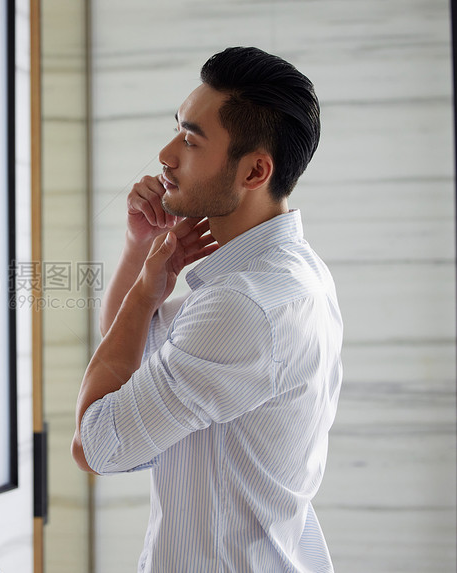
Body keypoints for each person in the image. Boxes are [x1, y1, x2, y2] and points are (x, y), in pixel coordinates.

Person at [71, 47, 343, 572]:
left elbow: (98, 445)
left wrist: (147, 291)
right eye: (177, 130)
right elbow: (132, 358)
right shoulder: (288, 275)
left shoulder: (240, 306)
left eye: (192, 140)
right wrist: (139, 251)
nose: (167, 154)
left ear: (254, 170)